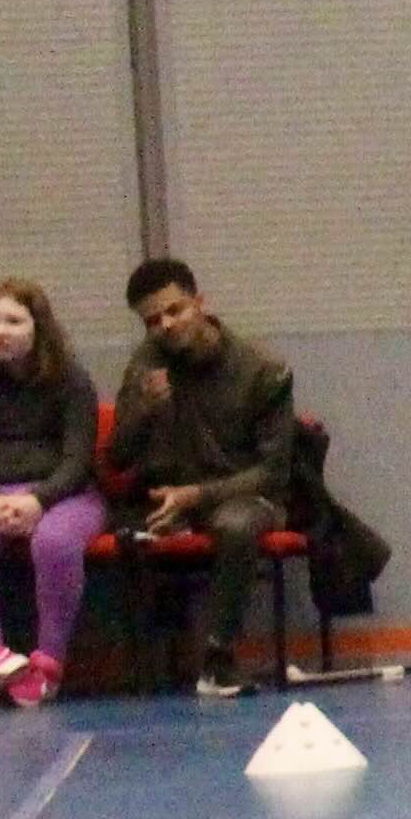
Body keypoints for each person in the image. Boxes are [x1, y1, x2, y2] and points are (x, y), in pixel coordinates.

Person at [105, 258, 297, 701]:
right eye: (152, 320)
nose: (165, 325)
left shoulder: (262, 367)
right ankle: (145, 670)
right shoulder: (147, 363)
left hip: (245, 495)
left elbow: (273, 472)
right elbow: (118, 457)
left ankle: (218, 660)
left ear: (200, 302)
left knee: (235, 524)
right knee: (127, 532)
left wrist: (196, 496)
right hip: (167, 498)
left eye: (175, 310)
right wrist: (143, 410)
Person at [0, 278, 102, 708]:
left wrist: (39, 500)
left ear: (39, 327)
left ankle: (48, 664)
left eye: (14, 321)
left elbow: (77, 460)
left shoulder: (72, 380)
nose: (0, 330)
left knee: (54, 540)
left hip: (66, 496)